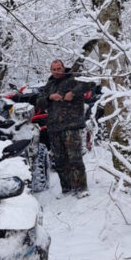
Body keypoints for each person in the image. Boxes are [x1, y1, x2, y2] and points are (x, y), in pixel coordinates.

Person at [36, 59, 90, 195]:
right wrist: (49, 98)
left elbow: (90, 84)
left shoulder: (74, 78)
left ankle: (81, 188)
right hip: (54, 127)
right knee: (60, 160)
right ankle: (66, 188)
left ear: (63, 67)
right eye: (53, 69)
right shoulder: (50, 84)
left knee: (75, 158)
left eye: (58, 68)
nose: (56, 72)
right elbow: (39, 102)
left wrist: (73, 93)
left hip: (71, 125)